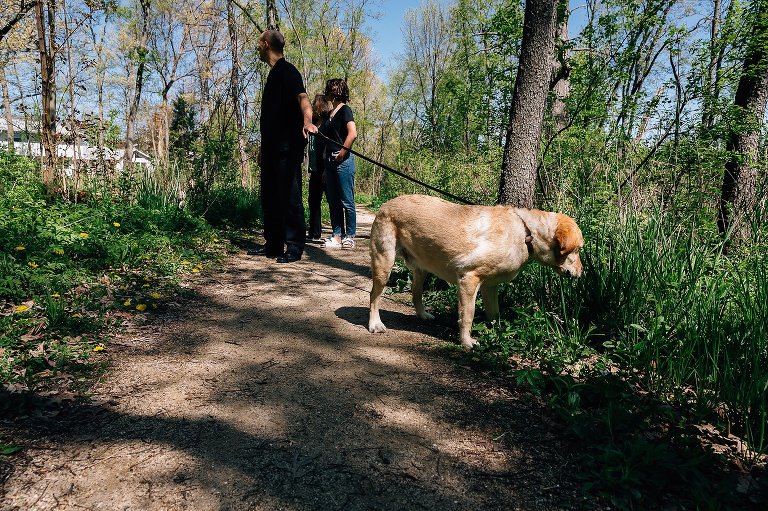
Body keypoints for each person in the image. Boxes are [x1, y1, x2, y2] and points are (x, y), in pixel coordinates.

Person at [251, 30, 317, 263]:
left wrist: (308, 122)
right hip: (270, 149)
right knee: (269, 198)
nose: (257, 47)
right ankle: (273, 244)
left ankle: (295, 246)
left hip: (287, 148)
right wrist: (262, 149)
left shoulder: (288, 71)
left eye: (259, 43)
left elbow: (303, 99)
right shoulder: (272, 76)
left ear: (266, 44)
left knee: (289, 198)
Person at [319, 78, 357, 250]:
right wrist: (326, 168)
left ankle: (350, 236)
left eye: (332, 88)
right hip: (329, 163)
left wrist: (342, 153)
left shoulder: (345, 110)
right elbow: (326, 140)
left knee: (346, 201)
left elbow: (352, 134)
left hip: (343, 161)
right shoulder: (329, 114)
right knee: (333, 201)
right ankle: (337, 236)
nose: (330, 90)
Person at [307, 94, 333, 242]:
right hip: (315, 170)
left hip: (326, 169)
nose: (313, 106)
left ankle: (339, 232)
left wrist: (326, 170)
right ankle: (314, 232)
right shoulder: (313, 123)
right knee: (313, 201)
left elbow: (328, 146)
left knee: (332, 200)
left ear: (321, 106)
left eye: (315, 104)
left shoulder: (327, 124)